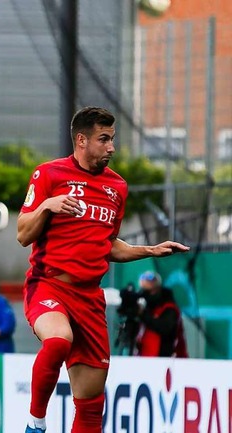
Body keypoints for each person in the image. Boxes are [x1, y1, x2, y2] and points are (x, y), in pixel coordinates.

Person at [16, 106, 190, 433]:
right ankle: (35, 423)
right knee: (58, 341)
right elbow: (23, 234)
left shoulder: (117, 188)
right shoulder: (49, 174)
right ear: (81, 140)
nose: (111, 147)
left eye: (112, 139)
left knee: (92, 403)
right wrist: (46, 206)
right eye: (104, 139)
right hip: (49, 286)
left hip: (89, 298)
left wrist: (150, 250)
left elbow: (107, 244)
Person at [134, 270, 188, 358]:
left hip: (167, 358)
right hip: (145, 356)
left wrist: (143, 314)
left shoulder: (169, 308)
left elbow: (165, 327)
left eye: (149, 292)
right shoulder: (147, 307)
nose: (145, 295)